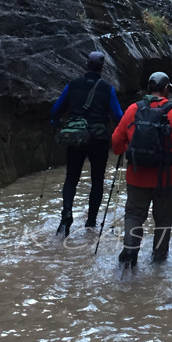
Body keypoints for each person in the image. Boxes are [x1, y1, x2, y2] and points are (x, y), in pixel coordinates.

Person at [111, 71, 172, 268]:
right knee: (163, 218)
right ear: (165, 89)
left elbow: (116, 142)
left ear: (149, 88)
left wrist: (126, 151)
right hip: (165, 178)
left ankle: (130, 250)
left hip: (136, 174)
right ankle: (158, 261)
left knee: (134, 213)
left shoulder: (132, 110)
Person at [51, 51, 123, 235]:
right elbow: (118, 116)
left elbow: (56, 110)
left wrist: (57, 123)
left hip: (76, 138)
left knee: (71, 179)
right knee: (97, 181)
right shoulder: (107, 89)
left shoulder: (72, 85)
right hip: (98, 139)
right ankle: (90, 223)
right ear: (102, 68)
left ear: (86, 65)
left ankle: (66, 214)